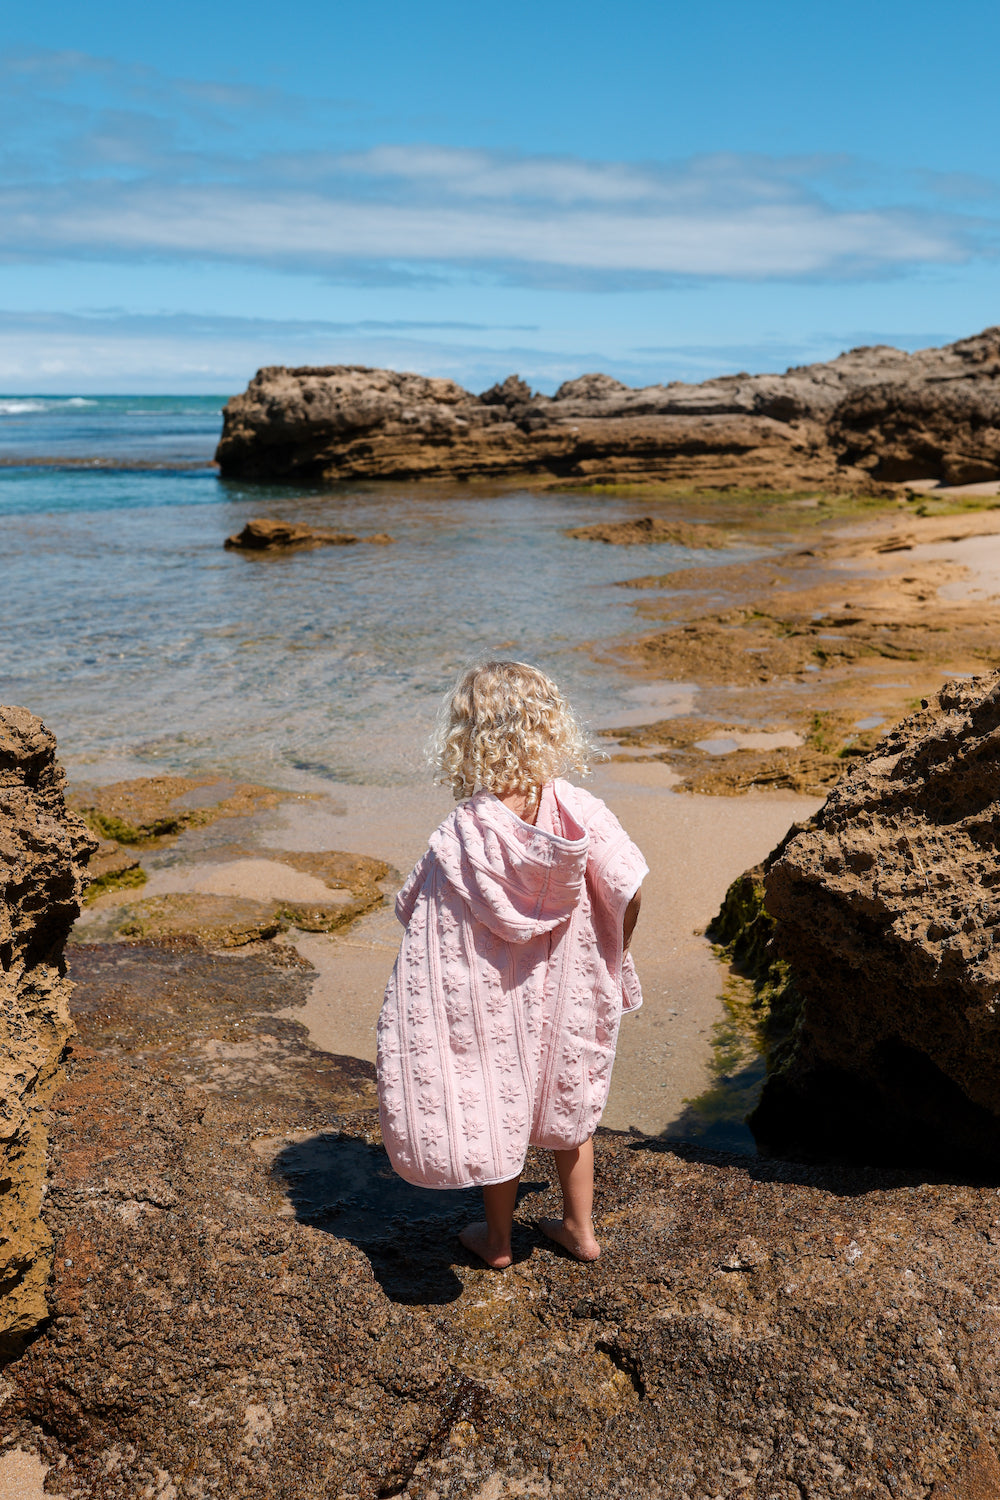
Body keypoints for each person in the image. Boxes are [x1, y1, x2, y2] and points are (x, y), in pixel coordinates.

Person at [376, 659, 647, 1268]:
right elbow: (628, 886)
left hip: (490, 996)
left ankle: (497, 1242)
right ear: (552, 725)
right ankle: (580, 1231)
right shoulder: (581, 812)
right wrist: (616, 950)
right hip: (568, 987)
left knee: (495, 1101)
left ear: (467, 737)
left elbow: (419, 913)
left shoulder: (464, 831)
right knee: (569, 1100)